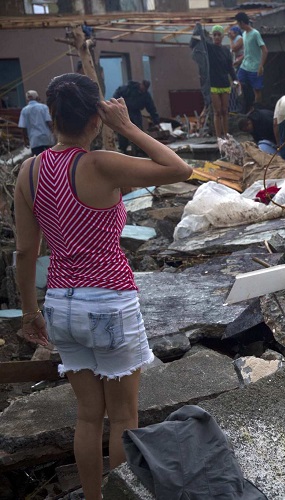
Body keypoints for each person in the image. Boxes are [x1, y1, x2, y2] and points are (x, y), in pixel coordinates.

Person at [14, 73, 192, 500]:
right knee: (124, 416)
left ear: (51, 117)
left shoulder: (29, 171)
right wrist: (127, 126)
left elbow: (24, 252)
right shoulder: (100, 164)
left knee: (89, 416)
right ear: (98, 116)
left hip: (59, 304)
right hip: (109, 301)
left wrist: (28, 311)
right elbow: (180, 169)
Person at [206, 25, 237, 139]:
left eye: (219, 35)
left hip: (225, 83)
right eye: (215, 35)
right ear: (212, 36)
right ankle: (219, 137)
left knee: (225, 111)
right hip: (213, 84)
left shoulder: (226, 50)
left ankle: (226, 134)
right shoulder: (209, 48)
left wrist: (235, 79)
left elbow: (230, 67)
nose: (217, 37)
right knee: (217, 111)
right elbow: (198, 43)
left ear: (223, 36)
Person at [112, 80, 159, 154]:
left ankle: (138, 149)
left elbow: (151, 108)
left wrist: (156, 120)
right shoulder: (130, 88)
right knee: (123, 130)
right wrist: (116, 104)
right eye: (143, 87)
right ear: (141, 84)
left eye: (145, 89)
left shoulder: (146, 95)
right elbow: (118, 92)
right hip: (126, 111)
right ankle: (123, 148)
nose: (143, 89)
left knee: (138, 131)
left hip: (136, 113)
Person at [234, 12, 267, 110]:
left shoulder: (255, 33)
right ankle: (243, 106)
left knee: (257, 90)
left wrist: (261, 66)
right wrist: (239, 61)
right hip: (245, 66)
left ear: (242, 22)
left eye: (238, 23)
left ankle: (257, 110)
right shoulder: (244, 34)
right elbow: (247, 52)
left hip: (255, 68)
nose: (238, 25)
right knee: (238, 84)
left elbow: (265, 50)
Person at [18, 90, 54, 155]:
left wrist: (25, 140)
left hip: (34, 141)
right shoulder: (44, 107)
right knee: (51, 158)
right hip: (47, 138)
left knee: (39, 160)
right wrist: (54, 133)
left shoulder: (24, 110)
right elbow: (49, 122)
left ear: (27, 99)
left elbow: (23, 128)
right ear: (37, 97)